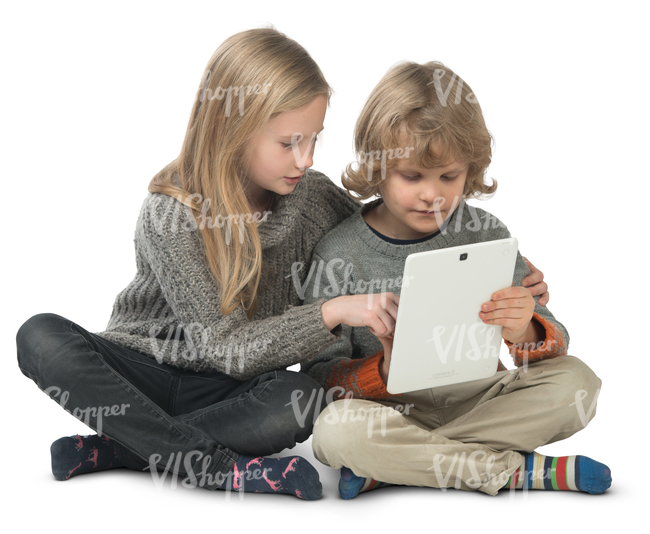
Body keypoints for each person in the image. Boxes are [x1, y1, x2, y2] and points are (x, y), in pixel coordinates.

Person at [15, 27, 402, 500]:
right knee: (40, 336)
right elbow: (227, 348)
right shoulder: (171, 213)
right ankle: (215, 467)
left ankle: (127, 448)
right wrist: (331, 311)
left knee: (298, 401)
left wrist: (497, 264)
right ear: (233, 130)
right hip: (143, 373)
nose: (306, 159)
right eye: (288, 143)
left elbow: (383, 237)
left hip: (230, 393)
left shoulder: (314, 196)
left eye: (315, 139)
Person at [301, 61, 611, 498]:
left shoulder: (486, 233)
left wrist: (523, 326)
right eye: (412, 176)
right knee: (334, 433)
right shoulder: (340, 254)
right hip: (389, 413)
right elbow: (318, 380)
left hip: (483, 400)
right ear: (378, 168)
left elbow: (554, 345)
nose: (433, 194)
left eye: (450, 176)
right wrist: (385, 368)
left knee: (579, 384)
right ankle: (512, 470)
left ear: (471, 168)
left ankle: (396, 466)